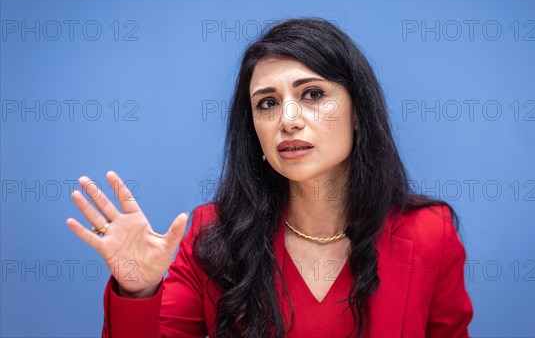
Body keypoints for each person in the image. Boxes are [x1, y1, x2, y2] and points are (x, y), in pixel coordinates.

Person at [66, 18, 474, 338]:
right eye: (267, 103)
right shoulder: (212, 235)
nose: (288, 120)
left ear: (359, 114)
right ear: (254, 131)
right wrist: (138, 292)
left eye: (312, 94)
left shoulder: (429, 233)